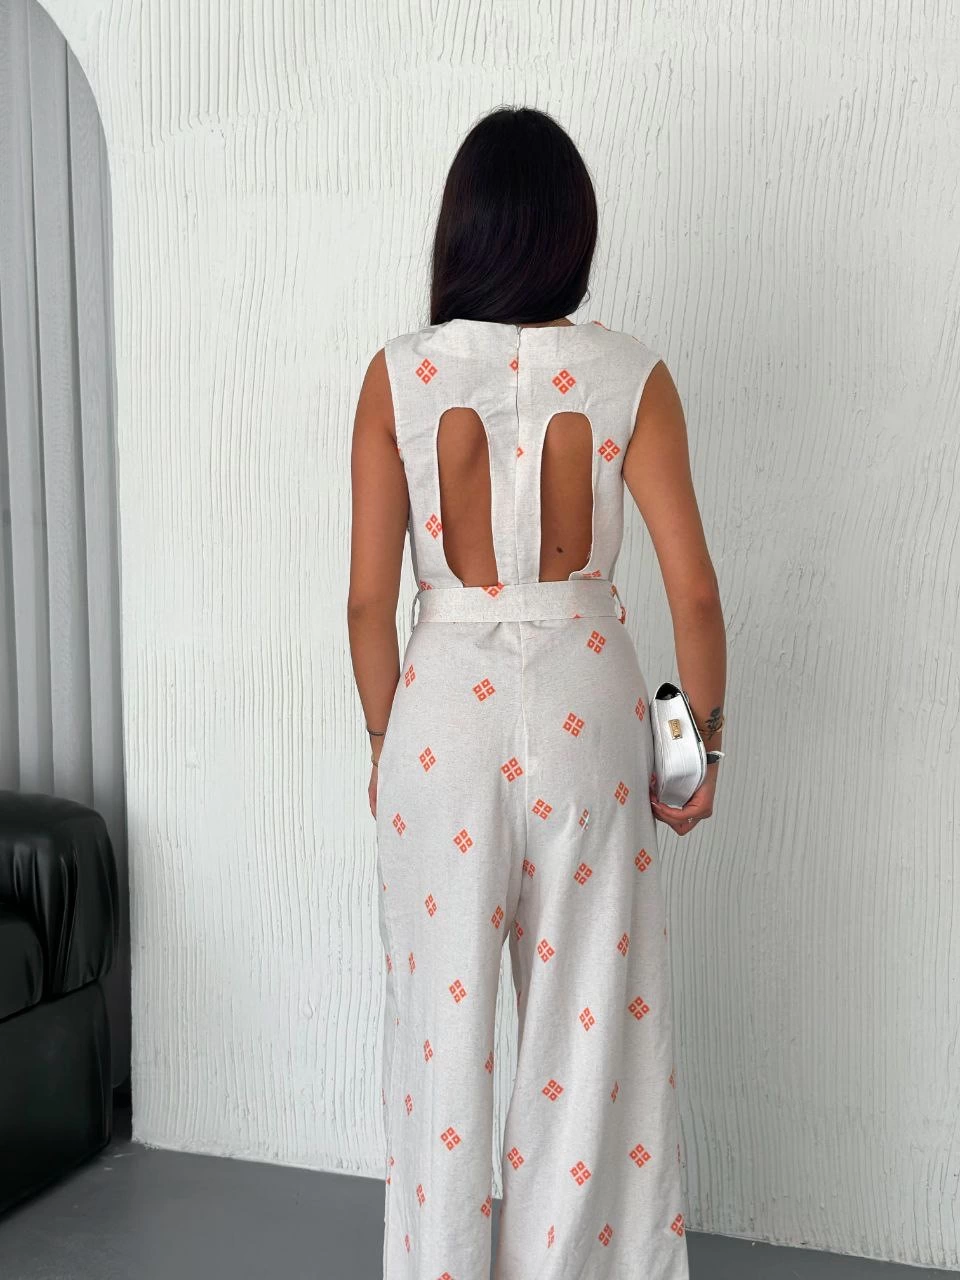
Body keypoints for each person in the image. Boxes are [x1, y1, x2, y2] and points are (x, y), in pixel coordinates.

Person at [348, 104, 726, 1280]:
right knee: (590, 1032)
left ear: (461, 229)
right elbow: (694, 594)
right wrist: (694, 753)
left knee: (440, 1040)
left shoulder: (399, 377)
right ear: (572, 233)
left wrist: (386, 747)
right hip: (588, 708)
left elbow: (366, 604)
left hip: (440, 716)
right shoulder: (630, 375)